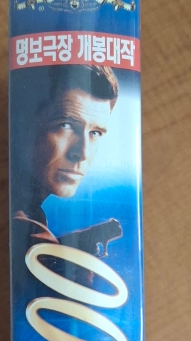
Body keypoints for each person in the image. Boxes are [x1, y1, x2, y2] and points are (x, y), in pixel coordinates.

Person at [13, 64, 123, 259]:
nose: (83, 153)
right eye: (65, 125)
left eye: (95, 133)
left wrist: (71, 242)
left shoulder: (31, 213)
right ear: (24, 125)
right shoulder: (22, 223)